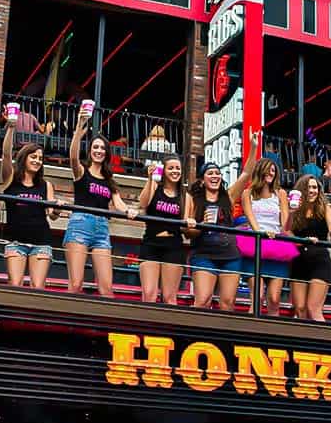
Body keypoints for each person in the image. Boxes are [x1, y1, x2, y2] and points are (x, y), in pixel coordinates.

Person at [65, 110, 138, 297]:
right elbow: (73, 157)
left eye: (102, 148)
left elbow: (118, 203)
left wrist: (130, 211)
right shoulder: (82, 172)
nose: (98, 151)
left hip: (102, 228)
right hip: (80, 225)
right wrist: (79, 128)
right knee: (76, 283)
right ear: (90, 150)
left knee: (106, 288)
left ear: (106, 153)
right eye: (95, 147)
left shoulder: (108, 179)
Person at [185, 144, 255, 310]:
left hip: (230, 255)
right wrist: (202, 225)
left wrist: (252, 147)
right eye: (210, 173)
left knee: (228, 303)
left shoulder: (228, 197)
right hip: (204, 254)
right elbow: (187, 232)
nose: (215, 176)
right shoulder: (193, 199)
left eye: (217, 173)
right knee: (202, 300)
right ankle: (197, 335)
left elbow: (246, 174)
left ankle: (222, 335)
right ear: (202, 180)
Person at [0, 116, 60, 290]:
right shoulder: (11, 179)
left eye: (40, 159)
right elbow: (5, 154)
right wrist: (10, 128)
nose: (37, 161)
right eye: (33, 157)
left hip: (41, 242)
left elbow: (52, 215)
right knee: (15, 284)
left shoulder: (45, 185)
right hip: (15, 241)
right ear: (24, 158)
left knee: (37, 287)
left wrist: (56, 209)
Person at [240, 157, 290, 316]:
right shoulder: (247, 193)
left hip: (276, 246)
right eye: (268, 169)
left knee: (275, 299)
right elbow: (251, 219)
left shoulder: (280, 193)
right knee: (257, 296)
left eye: (273, 170)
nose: (270, 173)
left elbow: (285, 224)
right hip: (256, 244)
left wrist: (292, 213)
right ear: (260, 170)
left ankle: (272, 336)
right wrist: (262, 234)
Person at [287, 174, 331, 322]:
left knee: (313, 308)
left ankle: (323, 342)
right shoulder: (295, 208)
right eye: (308, 187)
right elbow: (286, 230)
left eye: (315, 187)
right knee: (300, 308)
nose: (312, 190)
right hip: (298, 258)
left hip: (319, 259)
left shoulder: (324, 208)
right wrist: (290, 213)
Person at [137, 156, 186, 304]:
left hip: (174, 246)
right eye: (171, 168)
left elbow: (186, 224)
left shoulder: (185, 196)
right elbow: (143, 203)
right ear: (164, 171)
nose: (175, 171)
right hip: (151, 243)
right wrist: (150, 179)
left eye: (177, 168)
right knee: (149, 294)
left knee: (169, 297)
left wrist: (191, 222)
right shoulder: (155, 187)